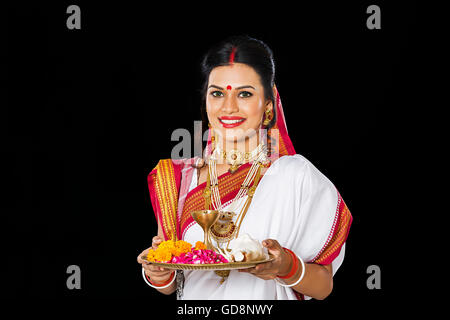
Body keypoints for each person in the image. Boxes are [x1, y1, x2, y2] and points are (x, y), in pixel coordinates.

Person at [137, 35, 352, 300]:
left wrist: (285, 266)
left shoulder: (296, 177)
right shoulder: (177, 178)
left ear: (268, 107)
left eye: (245, 94)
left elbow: (323, 286)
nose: (228, 107)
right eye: (217, 93)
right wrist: (158, 272)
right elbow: (172, 282)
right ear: (206, 101)